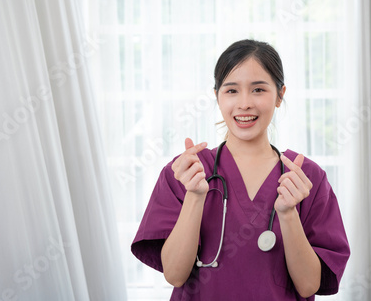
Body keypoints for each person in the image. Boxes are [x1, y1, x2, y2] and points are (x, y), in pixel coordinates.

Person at [131, 39, 350, 300]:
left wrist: (288, 213)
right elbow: (175, 275)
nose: (244, 103)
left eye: (258, 90)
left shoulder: (305, 178)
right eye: (232, 91)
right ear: (217, 96)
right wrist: (195, 196)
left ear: (280, 95)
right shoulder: (186, 171)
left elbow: (308, 286)